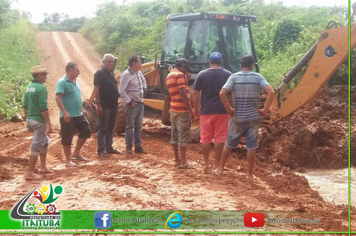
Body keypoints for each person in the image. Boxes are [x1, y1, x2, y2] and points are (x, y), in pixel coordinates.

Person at [216, 55, 275, 178]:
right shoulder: (258, 77)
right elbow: (271, 92)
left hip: (238, 117)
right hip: (253, 117)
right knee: (251, 146)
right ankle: (249, 174)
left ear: (240, 65)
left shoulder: (234, 77)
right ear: (253, 65)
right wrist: (265, 110)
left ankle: (220, 169)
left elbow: (222, 93)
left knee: (229, 144)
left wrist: (229, 110)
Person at [192, 52, 232, 173]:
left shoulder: (202, 74)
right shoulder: (228, 75)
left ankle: (206, 164)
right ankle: (216, 163)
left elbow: (195, 92)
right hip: (222, 111)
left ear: (209, 61)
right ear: (221, 62)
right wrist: (231, 108)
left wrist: (195, 108)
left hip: (206, 111)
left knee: (205, 138)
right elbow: (232, 93)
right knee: (220, 138)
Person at [55, 62, 91, 167]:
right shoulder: (62, 82)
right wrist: (65, 112)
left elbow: (76, 97)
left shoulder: (75, 81)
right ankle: (68, 160)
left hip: (78, 114)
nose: (79, 72)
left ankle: (76, 153)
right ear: (70, 70)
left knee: (86, 131)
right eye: (77, 70)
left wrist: (81, 109)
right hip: (68, 116)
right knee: (67, 137)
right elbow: (58, 98)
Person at [23, 65, 53, 180]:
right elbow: (43, 108)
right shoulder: (41, 88)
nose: (45, 76)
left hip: (30, 119)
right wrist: (49, 123)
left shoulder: (29, 87)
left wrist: (27, 120)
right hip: (39, 121)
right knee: (36, 145)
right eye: (44, 74)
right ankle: (30, 172)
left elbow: (25, 106)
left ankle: (43, 166)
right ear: (39, 75)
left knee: (44, 141)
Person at [166, 58, 195, 169]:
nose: (186, 71)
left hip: (173, 109)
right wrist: (190, 110)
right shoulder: (180, 75)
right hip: (182, 109)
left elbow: (176, 91)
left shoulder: (170, 75)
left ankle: (177, 159)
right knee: (183, 135)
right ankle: (183, 162)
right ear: (182, 66)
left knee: (174, 135)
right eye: (186, 68)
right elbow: (182, 92)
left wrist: (185, 80)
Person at [119, 55, 148, 154]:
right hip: (133, 104)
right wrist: (129, 101)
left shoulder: (139, 73)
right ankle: (129, 146)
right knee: (130, 126)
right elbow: (122, 90)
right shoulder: (126, 75)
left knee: (138, 126)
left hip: (140, 102)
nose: (141, 64)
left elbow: (144, 81)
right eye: (139, 62)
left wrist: (143, 89)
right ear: (134, 63)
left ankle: (138, 146)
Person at [94, 53, 121, 157]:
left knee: (110, 127)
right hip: (104, 105)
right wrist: (98, 105)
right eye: (109, 61)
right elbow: (96, 89)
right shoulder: (99, 73)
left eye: (112, 62)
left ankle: (109, 147)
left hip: (113, 104)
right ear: (103, 62)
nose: (111, 63)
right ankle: (101, 149)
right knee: (103, 127)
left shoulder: (111, 73)